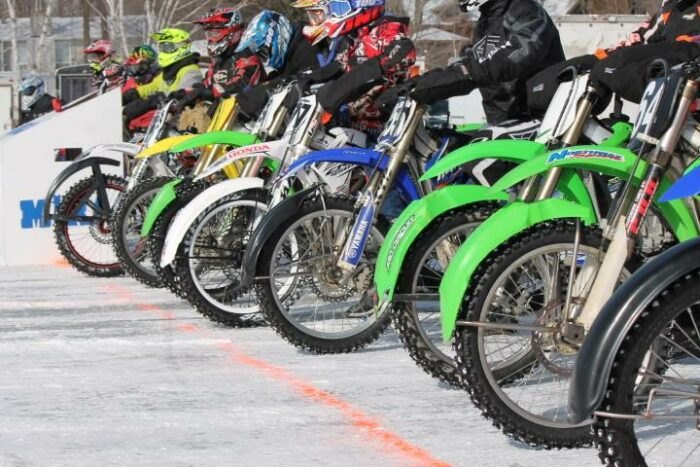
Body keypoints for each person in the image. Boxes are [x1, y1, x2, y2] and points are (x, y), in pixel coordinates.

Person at [407, 0, 564, 126]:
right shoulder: (485, 22)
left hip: (540, 120)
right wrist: (420, 83)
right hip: (502, 121)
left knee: (475, 164)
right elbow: (472, 63)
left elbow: (516, 56)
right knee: (448, 150)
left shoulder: (527, 10)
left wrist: (466, 73)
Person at [122, 28, 203, 123]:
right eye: (162, 47)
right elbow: (152, 87)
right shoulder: (169, 70)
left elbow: (182, 96)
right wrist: (131, 94)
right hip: (163, 118)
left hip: (180, 122)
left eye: (167, 47)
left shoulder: (190, 71)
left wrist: (150, 101)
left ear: (182, 47)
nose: (163, 51)